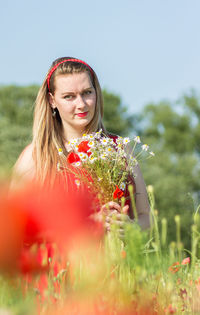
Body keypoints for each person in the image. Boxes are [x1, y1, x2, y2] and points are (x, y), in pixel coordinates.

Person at [11, 57, 150, 232]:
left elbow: (146, 217)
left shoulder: (120, 149)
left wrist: (132, 229)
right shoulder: (36, 156)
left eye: (87, 93)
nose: (81, 104)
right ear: (52, 100)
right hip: (64, 259)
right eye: (69, 96)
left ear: (96, 92)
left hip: (120, 258)